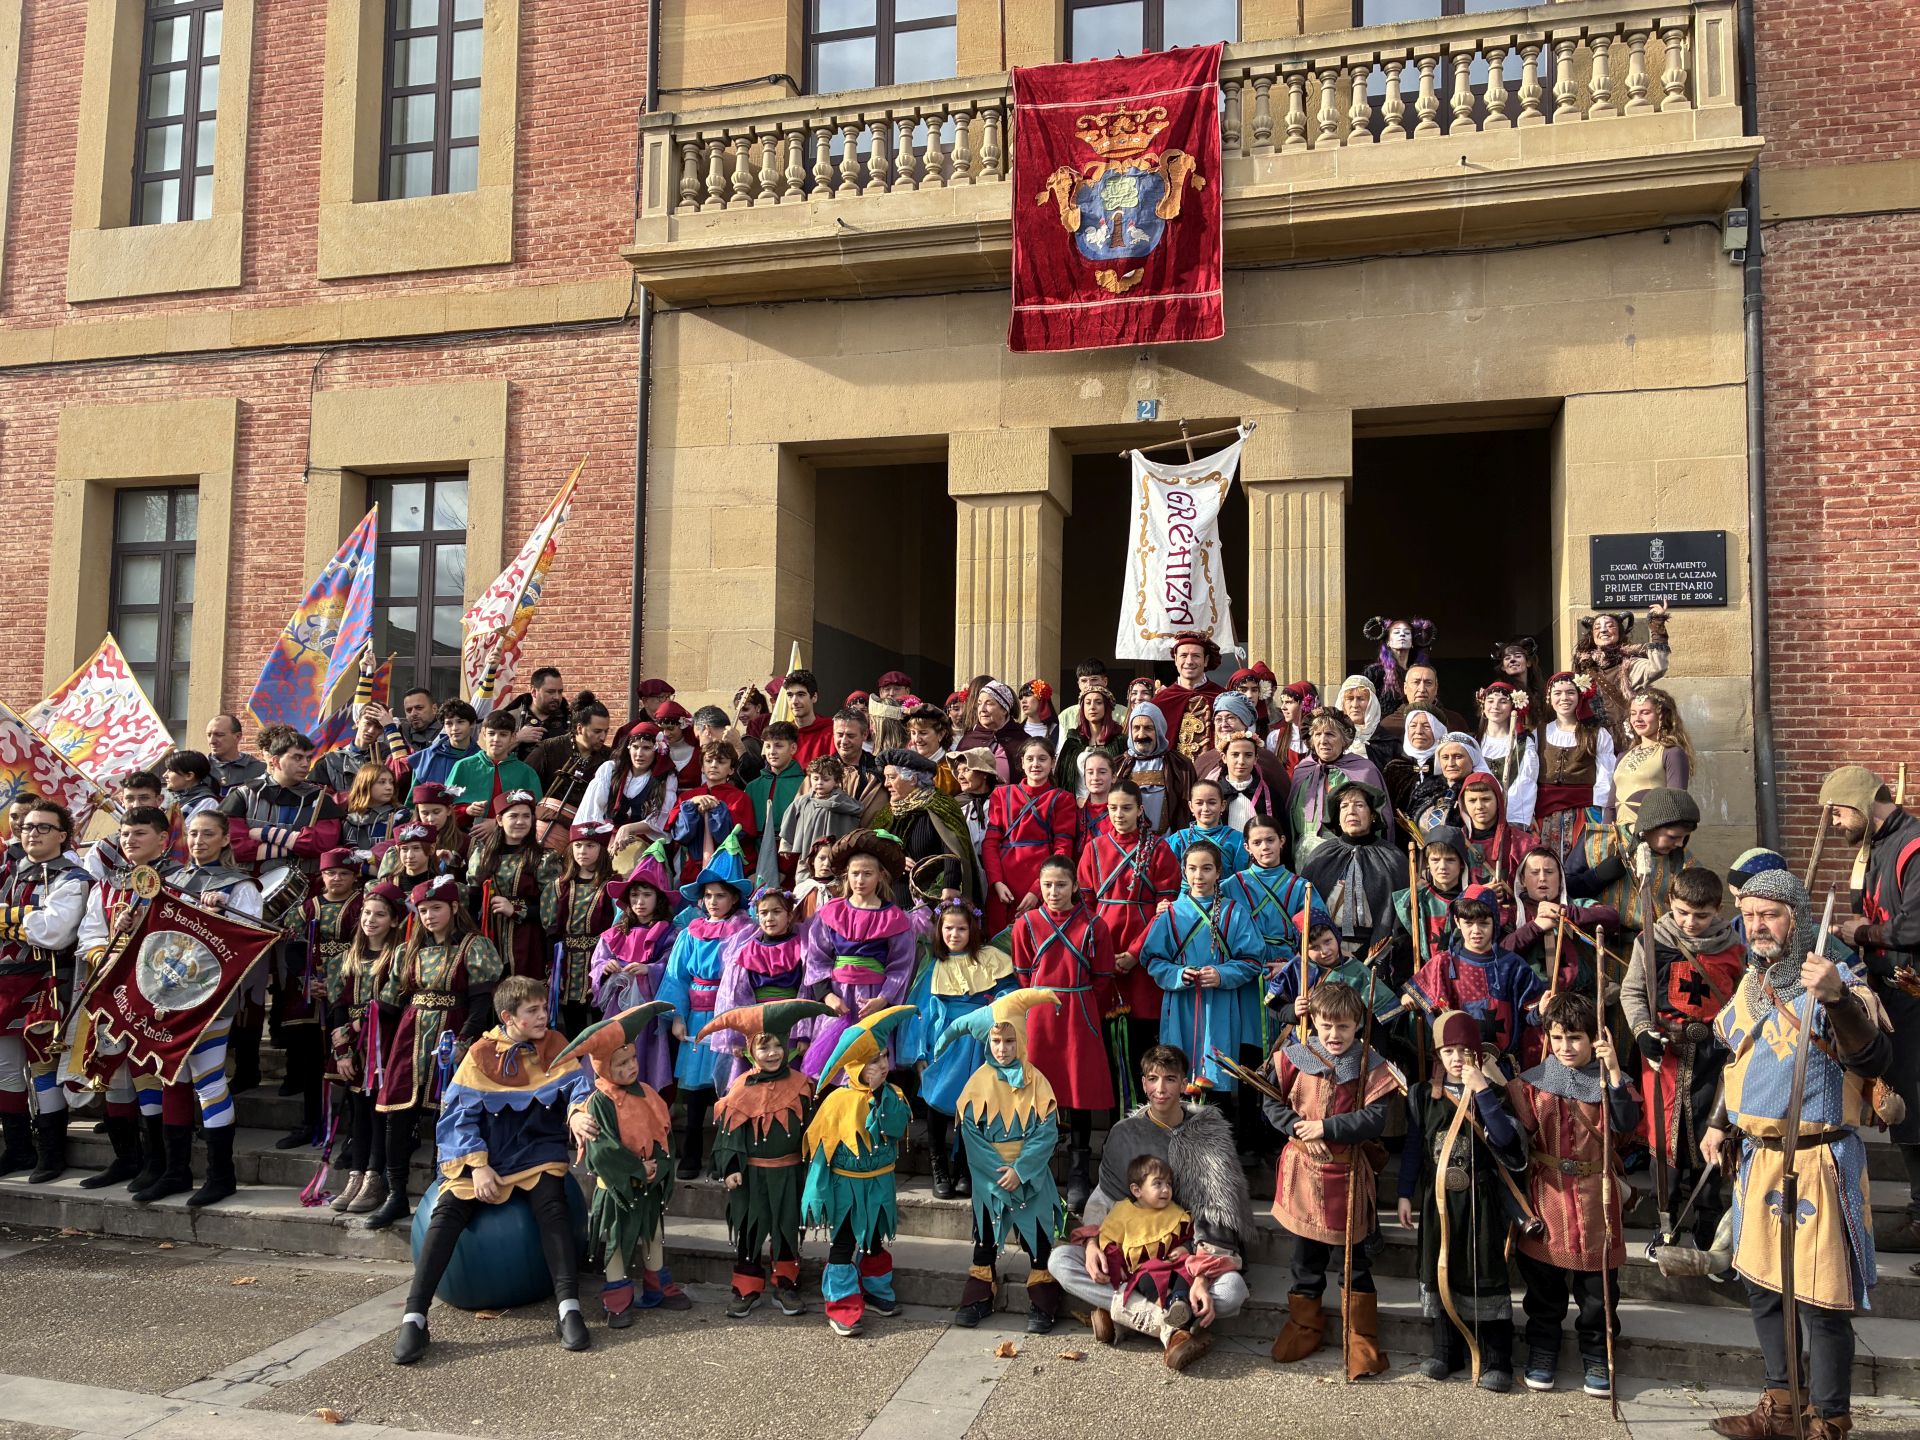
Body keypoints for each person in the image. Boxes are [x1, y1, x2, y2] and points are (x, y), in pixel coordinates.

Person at [1704, 868, 1892, 1440]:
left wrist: (1834, 998)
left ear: (1797, 920)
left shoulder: (1844, 983)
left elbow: (1873, 1060)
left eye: (1772, 914)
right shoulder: (1750, 985)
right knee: (1762, 1287)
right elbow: (1737, 1061)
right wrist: (1718, 1123)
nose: (1759, 925)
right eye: (1752, 915)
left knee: (1821, 1296)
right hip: (1759, 1156)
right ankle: (1782, 1406)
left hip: (1819, 1159)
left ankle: (1829, 1419)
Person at [390, 975, 600, 1365]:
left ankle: (568, 1308)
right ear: (508, 1016)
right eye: (532, 1011)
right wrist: (479, 1166)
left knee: (553, 1207)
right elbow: (458, 1118)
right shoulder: (480, 1054)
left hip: (536, 1150)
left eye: (543, 1008)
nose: (543, 1016)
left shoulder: (557, 1046)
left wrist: (576, 1114)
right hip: (486, 1153)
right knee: (448, 1212)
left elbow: (580, 1089)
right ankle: (415, 1318)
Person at [1053, 1044, 1255, 1329]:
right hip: (1134, 1251)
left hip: (1187, 1251)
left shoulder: (1211, 1135)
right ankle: (1169, 1325)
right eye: (1153, 1079)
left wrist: (1200, 1277)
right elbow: (1104, 1197)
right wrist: (1090, 1244)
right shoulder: (1124, 1134)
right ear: (1144, 1083)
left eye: (1170, 1079)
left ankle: (1126, 1311)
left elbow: (1218, 1213)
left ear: (1184, 1084)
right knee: (1060, 1261)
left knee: (1231, 1291)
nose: (1160, 1089)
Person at [1264, 980, 1399, 1379]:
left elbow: (1375, 1118)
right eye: (1325, 1026)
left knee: (1354, 1262)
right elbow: (1270, 1102)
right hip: (1303, 1172)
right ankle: (1305, 1325)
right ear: (1314, 1023)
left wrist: (1325, 1127)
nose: (1333, 1035)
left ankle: (1360, 1336)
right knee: (1304, 1257)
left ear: (1358, 1024)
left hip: (1349, 1174)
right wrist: (1297, 1128)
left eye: (1342, 1027)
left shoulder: (1371, 1064)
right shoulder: (1293, 1057)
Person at [1510, 990, 1639, 1398]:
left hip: (1596, 1196)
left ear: (1594, 1039)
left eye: (1577, 1038)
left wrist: (1615, 1072)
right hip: (1547, 1194)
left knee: (1598, 1292)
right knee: (1544, 1288)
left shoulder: (1613, 1082)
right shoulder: (1532, 1084)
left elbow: (1627, 1127)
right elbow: (1517, 1140)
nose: (1567, 1047)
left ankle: (1598, 1354)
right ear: (1548, 1035)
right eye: (1559, 1037)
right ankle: (1543, 1350)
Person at [1398, 1007, 1529, 1390]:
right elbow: (1412, 1150)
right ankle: (1445, 1349)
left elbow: (1507, 1141)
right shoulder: (1423, 1095)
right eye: (1449, 1051)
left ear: (1477, 1053)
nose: (1456, 1059)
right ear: (1438, 1055)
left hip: (1482, 1202)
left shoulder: (1494, 1094)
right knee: (1441, 1271)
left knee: (1484, 1271)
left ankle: (1496, 1358)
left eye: (1464, 1051)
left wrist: (1483, 1091)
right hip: (1438, 1203)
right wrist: (1405, 1193)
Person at [1819, 763, 1920, 1249]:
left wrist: (1860, 932)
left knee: (1914, 1109)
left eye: (1839, 812)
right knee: (1904, 1110)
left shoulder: (1914, 847)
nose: (1836, 823)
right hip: (1894, 995)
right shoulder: (1880, 846)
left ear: (1861, 803)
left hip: (1914, 995)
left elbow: (1915, 927)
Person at [219, 724, 345, 1113]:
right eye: (297, 758)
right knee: (248, 985)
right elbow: (236, 845)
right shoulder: (240, 795)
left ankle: (296, 1070)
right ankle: (247, 1067)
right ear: (273, 760)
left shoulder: (322, 799)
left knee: (297, 981)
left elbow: (322, 843)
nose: (306, 764)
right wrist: (291, 837)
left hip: (304, 898)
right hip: (250, 897)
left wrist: (263, 833)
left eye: (309, 758)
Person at [369, 873, 504, 1231]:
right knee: (396, 1113)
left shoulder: (474, 946)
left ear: (454, 908)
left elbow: (481, 1001)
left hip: (453, 1035)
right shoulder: (407, 950)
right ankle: (395, 1194)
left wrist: (465, 1040)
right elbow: (391, 1000)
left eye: (436, 908)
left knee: (445, 1115)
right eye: (424, 910)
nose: (429, 916)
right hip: (409, 1037)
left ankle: (437, 1193)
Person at [1622, 865, 1744, 1249]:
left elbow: (1744, 1003)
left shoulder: (1734, 949)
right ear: (1670, 903)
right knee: (1666, 1140)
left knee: (1710, 1139)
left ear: (1717, 909)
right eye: (1682, 913)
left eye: (1702, 915)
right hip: (1666, 1057)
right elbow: (1633, 993)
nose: (1691, 922)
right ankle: (1667, 1221)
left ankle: (1708, 1221)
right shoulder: (1651, 942)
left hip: (1713, 1058)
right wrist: (1643, 1031)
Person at [939, 988, 1068, 1334]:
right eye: (996, 1042)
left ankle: (1042, 1285)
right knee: (986, 1238)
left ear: (1021, 1040)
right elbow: (971, 1134)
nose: (1003, 1049)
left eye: (1010, 1042)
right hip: (991, 1176)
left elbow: (1045, 1133)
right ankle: (983, 1286)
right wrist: (999, 1174)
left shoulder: (1037, 1081)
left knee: (1038, 1238)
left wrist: (1022, 1169)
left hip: (1031, 1176)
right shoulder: (977, 1082)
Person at [68, 807, 178, 1192]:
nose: (130, 840)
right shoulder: (107, 886)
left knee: (147, 1073)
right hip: (112, 992)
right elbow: (89, 937)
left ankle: (156, 1161)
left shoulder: (178, 883)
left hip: (158, 995)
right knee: (112, 1074)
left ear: (163, 839)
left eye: (140, 833)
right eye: (125, 833)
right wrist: (108, 951)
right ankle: (125, 1159)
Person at [558, 1002, 690, 1326]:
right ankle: (617, 1294)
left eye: (632, 1060)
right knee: (616, 1240)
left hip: (650, 1183)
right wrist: (634, 1169)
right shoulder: (599, 1102)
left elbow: (664, 1133)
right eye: (620, 1064)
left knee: (652, 1234)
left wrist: (660, 1164)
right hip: (618, 1188)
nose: (630, 1067)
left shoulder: (647, 1093)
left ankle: (657, 1283)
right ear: (603, 1068)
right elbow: (601, 1148)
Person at [700, 1000, 833, 1317]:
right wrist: (731, 1166)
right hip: (752, 1177)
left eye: (778, 1045)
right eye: (764, 1048)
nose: (772, 1053)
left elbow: (812, 1131)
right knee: (749, 1231)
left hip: (789, 1173)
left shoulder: (802, 1086)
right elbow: (729, 1133)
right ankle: (746, 1288)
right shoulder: (741, 1087)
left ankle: (786, 1284)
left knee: (788, 1230)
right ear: (749, 1052)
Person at [802, 1004, 916, 1338]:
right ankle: (841, 1304)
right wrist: (817, 1189)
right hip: (847, 1189)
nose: (881, 1065)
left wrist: (880, 1097)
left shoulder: (893, 1095)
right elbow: (822, 1153)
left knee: (874, 1240)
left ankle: (876, 1287)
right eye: (872, 1061)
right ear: (855, 1067)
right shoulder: (837, 1102)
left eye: (883, 1057)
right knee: (844, 1242)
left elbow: (894, 1129)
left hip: (879, 1185)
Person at [1012, 854, 1117, 1211]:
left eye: (1060, 885)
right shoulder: (1026, 924)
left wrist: (1082, 1005)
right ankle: (1037, 1164)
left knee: (1078, 1091)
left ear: (1074, 885)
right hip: (1040, 1016)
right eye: (1046, 885)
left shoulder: (1094, 925)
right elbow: (1024, 973)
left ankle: (1077, 1171)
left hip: (1079, 1012)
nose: (1053, 892)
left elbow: (1102, 979)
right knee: (1039, 1092)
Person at [0, 799, 91, 1183]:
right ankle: (19, 1150)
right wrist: (25, 917)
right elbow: (37, 923)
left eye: (42, 828)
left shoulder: (73, 876)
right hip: (5, 980)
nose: (32, 833)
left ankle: (51, 1155)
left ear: (63, 835)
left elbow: (54, 933)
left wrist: (8, 917)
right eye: (26, 827)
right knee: (4, 1070)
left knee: (44, 1069)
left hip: (48, 981)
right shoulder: (11, 872)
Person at [658, 842, 757, 1178]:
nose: (713, 902)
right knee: (695, 1090)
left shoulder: (745, 932)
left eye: (721, 895)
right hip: (698, 1017)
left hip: (727, 1017)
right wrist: (678, 1017)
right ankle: (690, 1153)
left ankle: (724, 1155)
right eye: (709, 896)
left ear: (734, 899)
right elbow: (676, 977)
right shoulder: (690, 933)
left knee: (727, 1087)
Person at [1078, 780, 1179, 1104]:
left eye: (1126, 808)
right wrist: (1103, 955)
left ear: (1140, 810)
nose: (1119, 814)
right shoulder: (1094, 848)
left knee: (1143, 1040)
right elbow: (1085, 907)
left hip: (1145, 957)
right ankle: (1114, 1121)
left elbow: (1166, 909)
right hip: (1103, 952)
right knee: (1107, 1039)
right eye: (1112, 808)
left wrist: (1136, 953)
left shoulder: (1158, 849)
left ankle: (1148, 1111)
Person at [1141, 840, 1264, 1097]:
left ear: (1219, 872)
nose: (1199, 876)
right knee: (1176, 1067)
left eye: (1207, 868)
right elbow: (1151, 959)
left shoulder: (1234, 912)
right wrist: (1177, 974)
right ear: (1184, 871)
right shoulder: (1171, 913)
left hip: (1220, 1000)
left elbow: (1253, 960)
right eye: (1193, 868)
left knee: (1218, 1068)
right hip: (1180, 1000)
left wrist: (1222, 974)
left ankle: (1217, 1133)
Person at [918, 900, 1015, 1199]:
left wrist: (993, 1006)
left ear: (972, 930)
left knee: (974, 1105)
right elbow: (920, 1011)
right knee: (936, 1100)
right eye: (948, 928)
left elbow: (1009, 990)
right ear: (939, 930)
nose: (955, 934)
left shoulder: (989, 958)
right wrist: (921, 1052)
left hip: (978, 1039)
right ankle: (939, 1167)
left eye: (961, 928)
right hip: (944, 1039)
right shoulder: (934, 965)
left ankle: (964, 1168)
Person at [799, 831, 918, 1075]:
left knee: (869, 1064)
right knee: (833, 1065)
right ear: (846, 876)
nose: (860, 880)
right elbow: (817, 958)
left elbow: (901, 965)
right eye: (855, 873)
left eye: (867, 873)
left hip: (872, 999)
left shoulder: (894, 918)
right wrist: (827, 997)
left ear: (880, 876)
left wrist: (883, 1000)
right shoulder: (831, 912)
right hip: (838, 997)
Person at [1079, 1154, 1214, 1368]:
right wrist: (1117, 1267)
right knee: (1147, 1278)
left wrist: (1184, 1248)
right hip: (1144, 1271)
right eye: (1158, 1184)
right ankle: (1175, 1323)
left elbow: (1190, 1237)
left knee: (1187, 1269)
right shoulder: (1123, 1212)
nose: (1165, 1190)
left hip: (1174, 1265)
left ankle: (1177, 1304)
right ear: (1137, 1190)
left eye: (1168, 1184)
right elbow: (1110, 1243)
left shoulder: (1175, 1212)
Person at [327, 879, 406, 1219]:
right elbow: (339, 1005)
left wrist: (353, 1031)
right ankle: (356, 1173)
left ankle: (377, 1175)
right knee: (357, 1108)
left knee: (378, 1110)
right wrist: (342, 1049)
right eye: (367, 914)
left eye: (380, 915)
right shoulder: (349, 958)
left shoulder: (399, 956)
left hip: (384, 1042)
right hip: (355, 1045)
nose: (371, 920)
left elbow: (388, 1006)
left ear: (393, 920)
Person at [1404, 886, 1546, 1071]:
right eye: (1469, 923)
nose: (1476, 931)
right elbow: (1421, 998)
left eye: (1483, 923)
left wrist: (1541, 1009)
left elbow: (1530, 1014)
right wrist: (1411, 998)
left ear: (1495, 921)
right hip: (1456, 1068)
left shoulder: (1513, 965)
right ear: (1457, 921)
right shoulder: (1442, 963)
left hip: (1501, 1068)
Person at [287, 848, 363, 1152]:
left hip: (350, 988)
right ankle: (311, 1123)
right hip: (313, 992)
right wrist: (306, 979)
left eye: (344, 874)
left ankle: (353, 1132)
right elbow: (292, 946)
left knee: (348, 1059)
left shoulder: (362, 906)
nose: (336, 879)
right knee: (311, 1062)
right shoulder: (308, 907)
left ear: (354, 876)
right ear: (322, 875)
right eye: (331, 873)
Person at [587, 857, 679, 1091]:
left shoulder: (670, 933)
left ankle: (649, 1097)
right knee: (617, 1046)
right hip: (618, 1007)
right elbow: (598, 962)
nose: (640, 902)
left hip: (650, 1008)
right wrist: (605, 968)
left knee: (648, 1051)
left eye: (647, 895)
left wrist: (650, 969)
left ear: (658, 898)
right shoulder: (615, 933)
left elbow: (674, 965)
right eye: (635, 895)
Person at [711, 886, 813, 1093]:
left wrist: (804, 1035)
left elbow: (807, 992)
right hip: (756, 1026)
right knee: (754, 1084)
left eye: (777, 912)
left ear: (789, 915)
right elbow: (734, 997)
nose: (770, 918)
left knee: (788, 1082)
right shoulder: (746, 950)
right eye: (764, 913)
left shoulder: (802, 948)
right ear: (757, 916)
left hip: (790, 1025)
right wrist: (736, 1038)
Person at [1569, 785, 1698, 935]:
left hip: (1656, 948)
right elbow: (1564, 890)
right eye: (1673, 837)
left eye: (1684, 837)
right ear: (1651, 825)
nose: (1680, 844)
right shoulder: (1597, 840)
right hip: (1598, 947)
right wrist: (1596, 877)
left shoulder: (1682, 859)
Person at [1299, 776, 1403, 962]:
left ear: (1373, 815)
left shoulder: (1392, 857)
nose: (1351, 811)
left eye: (1359, 805)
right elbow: (1306, 909)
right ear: (1337, 817)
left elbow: (1399, 916)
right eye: (1344, 806)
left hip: (1376, 952)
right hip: (1326, 952)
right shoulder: (1321, 856)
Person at [981, 737, 1076, 935]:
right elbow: (990, 843)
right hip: (1003, 883)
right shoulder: (1002, 795)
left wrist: (1038, 890)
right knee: (999, 946)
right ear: (1022, 762)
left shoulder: (1062, 799)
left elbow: (1062, 849)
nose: (1035, 764)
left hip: (1041, 879)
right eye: (1030, 759)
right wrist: (996, 882)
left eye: (1042, 759)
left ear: (1053, 762)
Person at [1503, 846, 1619, 994]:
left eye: (1550, 872)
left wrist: (1566, 913)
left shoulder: (1576, 906)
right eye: (1534, 872)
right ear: (1523, 880)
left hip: (1581, 1001)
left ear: (1560, 879)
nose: (1542, 878)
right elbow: (1499, 954)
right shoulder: (1513, 914)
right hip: (1534, 1005)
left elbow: (1611, 917)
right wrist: (1535, 927)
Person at [539, 820, 616, 1038]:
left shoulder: (612, 885)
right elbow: (550, 931)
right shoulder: (558, 886)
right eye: (578, 845)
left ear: (602, 850)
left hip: (599, 959)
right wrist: (551, 967)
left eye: (590, 846)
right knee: (573, 1022)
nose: (583, 851)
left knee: (601, 1020)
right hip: (567, 964)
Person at [1287, 710, 1392, 867]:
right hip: (1305, 858)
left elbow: (1380, 820)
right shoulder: (1303, 770)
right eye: (1317, 734)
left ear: (1344, 739)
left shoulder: (1364, 770)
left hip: (1352, 855)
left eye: (1330, 734)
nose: (1323, 740)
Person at [874, 748, 976, 905]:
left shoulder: (940, 805)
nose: (886, 784)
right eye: (886, 778)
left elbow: (953, 848)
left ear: (913, 779)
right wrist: (893, 859)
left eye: (892, 777)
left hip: (933, 898)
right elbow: (874, 846)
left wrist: (950, 884)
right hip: (894, 898)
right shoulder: (889, 812)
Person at [467, 790, 549, 982]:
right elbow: (472, 900)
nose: (520, 822)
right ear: (499, 819)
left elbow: (553, 909)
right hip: (489, 936)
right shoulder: (482, 856)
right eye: (513, 816)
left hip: (528, 940)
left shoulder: (544, 858)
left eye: (526, 816)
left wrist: (516, 909)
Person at [1536, 672, 1614, 863]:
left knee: (1582, 862)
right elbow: (1529, 779)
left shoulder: (1597, 734)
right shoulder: (1538, 732)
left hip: (1584, 811)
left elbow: (1605, 777)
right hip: (1544, 811)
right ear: (1549, 698)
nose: (1564, 698)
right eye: (1558, 693)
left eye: (1570, 692)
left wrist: (1601, 816)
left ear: (1580, 696)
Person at [1575, 603, 1672, 752]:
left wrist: (1657, 625)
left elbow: (1657, 667)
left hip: (1627, 739)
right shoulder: (1583, 666)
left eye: (1609, 626)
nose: (1603, 630)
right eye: (1597, 627)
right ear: (1592, 635)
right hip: (1595, 740)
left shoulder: (1630, 664)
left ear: (1619, 632)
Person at [576, 721, 678, 856]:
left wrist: (628, 828)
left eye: (646, 748)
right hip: (607, 839)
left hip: (648, 844)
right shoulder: (610, 769)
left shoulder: (666, 777)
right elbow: (592, 811)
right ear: (628, 747)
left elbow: (660, 820)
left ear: (657, 750)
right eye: (635, 747)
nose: (639, 754)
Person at [527, 694, 613, 847]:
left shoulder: (610, 759)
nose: (603, 737)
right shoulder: (549, 749)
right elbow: (525, 786)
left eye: (606, 731)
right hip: (544, 828)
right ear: (580, 728)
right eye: (597, 731)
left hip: (587, 835)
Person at [666, 740, 757, 879]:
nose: (714, 765)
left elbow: (730, 837)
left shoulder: (740, 798)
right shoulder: (687, 797)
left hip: (728, 869)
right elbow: (681, 835)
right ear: (702, 767)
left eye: (721, 762)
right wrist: (691, 804)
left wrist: (717, 809)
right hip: (694, 869)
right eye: (709, 761)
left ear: (731, 769)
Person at [1609, 687, 1692, 830]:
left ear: (1662, 716)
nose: (1637, 719)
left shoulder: (1671, 753)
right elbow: (1611, 806)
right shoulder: (1623, 756)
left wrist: (1658, 836)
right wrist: (1605, 835)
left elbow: (1675, 802)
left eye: (1645, 713)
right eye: (1633, 713)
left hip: (1651, 834)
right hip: (1619, 836)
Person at [1114, 703, 1194, 837]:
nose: (1141, 734)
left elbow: (1187, 812)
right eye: (1136, 728)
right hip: (1128, 846)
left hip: (1169, 844)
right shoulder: (1118, 765)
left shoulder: (1180, 766)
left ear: (1159, 730)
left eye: (1148, 728)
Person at [445, 711, 544, 817]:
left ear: (513, 736)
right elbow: (445, 807)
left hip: (509, 832)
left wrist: (496, 824)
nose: (496, 739)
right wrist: (466, 810)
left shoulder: (526, 772)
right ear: (483, 734)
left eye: (503, 735)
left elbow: (534, 813)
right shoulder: (463, 766)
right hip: (468, 831)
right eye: (491, 734)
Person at [743, 720, 805, 886]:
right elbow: (745, 833)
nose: (772, 752)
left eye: (778, 746)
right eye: (768, 746)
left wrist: (783, 870)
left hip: (790, 864)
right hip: (755, 865)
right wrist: (750, 869)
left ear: (792, 748)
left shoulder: (804, 784)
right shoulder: (752, 787)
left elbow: (802, 831)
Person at [1149, 632, 1225, 762]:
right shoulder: (1160, 701)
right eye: (1183, 655)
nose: (1189, 661)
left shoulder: (1222, 698)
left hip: (1212, 773)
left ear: (1205, 661)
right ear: (1176, 660)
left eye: (1196, 656)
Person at [1478, 681, 1538, 829]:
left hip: (1512, 818)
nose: (1495, 706)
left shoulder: (1524, 743)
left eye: (1503, 702)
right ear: (1483, 706)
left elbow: (1526, 783)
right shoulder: (1475, 742)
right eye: (1490, 701)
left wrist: (1512, 817)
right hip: (1479, 819)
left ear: (1513, 706)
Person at [1165, 778, 1248, 875]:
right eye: (1199, 803)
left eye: (1212, 803)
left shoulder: (1237, 840)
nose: (1205, 809)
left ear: (1222, 805)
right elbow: (1169, 878)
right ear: (1191, 806)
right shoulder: (1178, 839)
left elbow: (1241, 880)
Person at [1055, 684, 1120, 797]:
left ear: (1106, 707)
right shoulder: (1072, 742)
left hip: (1111, 806)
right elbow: (1063, 779)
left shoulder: (1119, 740)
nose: (1092, 707)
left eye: (1098, 702)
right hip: (1078, 806)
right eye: (1088, 703)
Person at [1363, 615, 1434, 713]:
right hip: (1385, 725)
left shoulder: (1420, 671)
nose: (1402, 635)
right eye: (1396, 632)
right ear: (1388, 642)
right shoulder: (1375, 672)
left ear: (1412, 642)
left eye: (1407, 633)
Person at [1380, 662, 1469, 740]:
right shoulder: (1389, 725)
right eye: (1416, 682)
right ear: (1405, 688)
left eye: (1428, 683)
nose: (1422, 689)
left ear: (1436, 689)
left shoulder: (1455, 721)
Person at [407, 700, 480, 789]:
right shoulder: (426, 757)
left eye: (460, 722)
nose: (454, 728)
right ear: (443, 726)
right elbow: (415, 797)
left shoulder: (482, 759)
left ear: (472, 724)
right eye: (449, 723)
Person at [780, 669, 836, 765]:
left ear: (814, 697)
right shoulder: (782, 733)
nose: (794, 701)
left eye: (801, 695)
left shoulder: (831, 733)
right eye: (790, 695)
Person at [204, 712, 267, 795]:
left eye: (219, 735)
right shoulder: (199, 770)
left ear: (237, 736)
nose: (212, 741)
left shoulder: (260, 770)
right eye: (209, 735)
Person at [160, 750, 221, 823]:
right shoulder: (168, 799)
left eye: (170, 770)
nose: (164, 775)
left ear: (189, 776)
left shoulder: (207, 803)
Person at [398, 686, 441, 752]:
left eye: (419, 708)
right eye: (409, 710)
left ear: (434, 709)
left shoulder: (448, 733)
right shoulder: (400, 733)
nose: (413, 713)